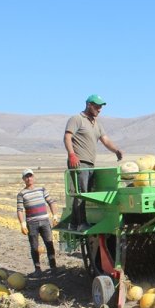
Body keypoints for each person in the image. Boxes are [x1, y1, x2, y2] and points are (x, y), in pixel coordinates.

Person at [63, 94, 124, 229]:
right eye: (97, 106)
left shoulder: (97, 124)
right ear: (89, 105)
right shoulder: (77, 119)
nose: (99, 109)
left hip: (90, 163)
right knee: (81, 193)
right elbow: (67, 137)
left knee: (85, 193)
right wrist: (72, 155)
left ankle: (73, 223)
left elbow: (105, 140)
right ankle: (80, 223)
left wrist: (116, 150)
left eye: (101, 107)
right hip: (79, 161)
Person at [16, 168, 59, 276]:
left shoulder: (42, 190)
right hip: (32, 224)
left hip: (45, 221)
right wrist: (22, 224)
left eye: (30, 176)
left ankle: (53, 268)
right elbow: (20, 210)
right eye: (26, 177)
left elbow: (51, 202)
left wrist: (55, 216)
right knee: (34, 247)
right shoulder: (21, 194)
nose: (29, 178)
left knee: (49, 244)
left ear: (33, 177)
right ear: (23, 179)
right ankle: (37, 269)